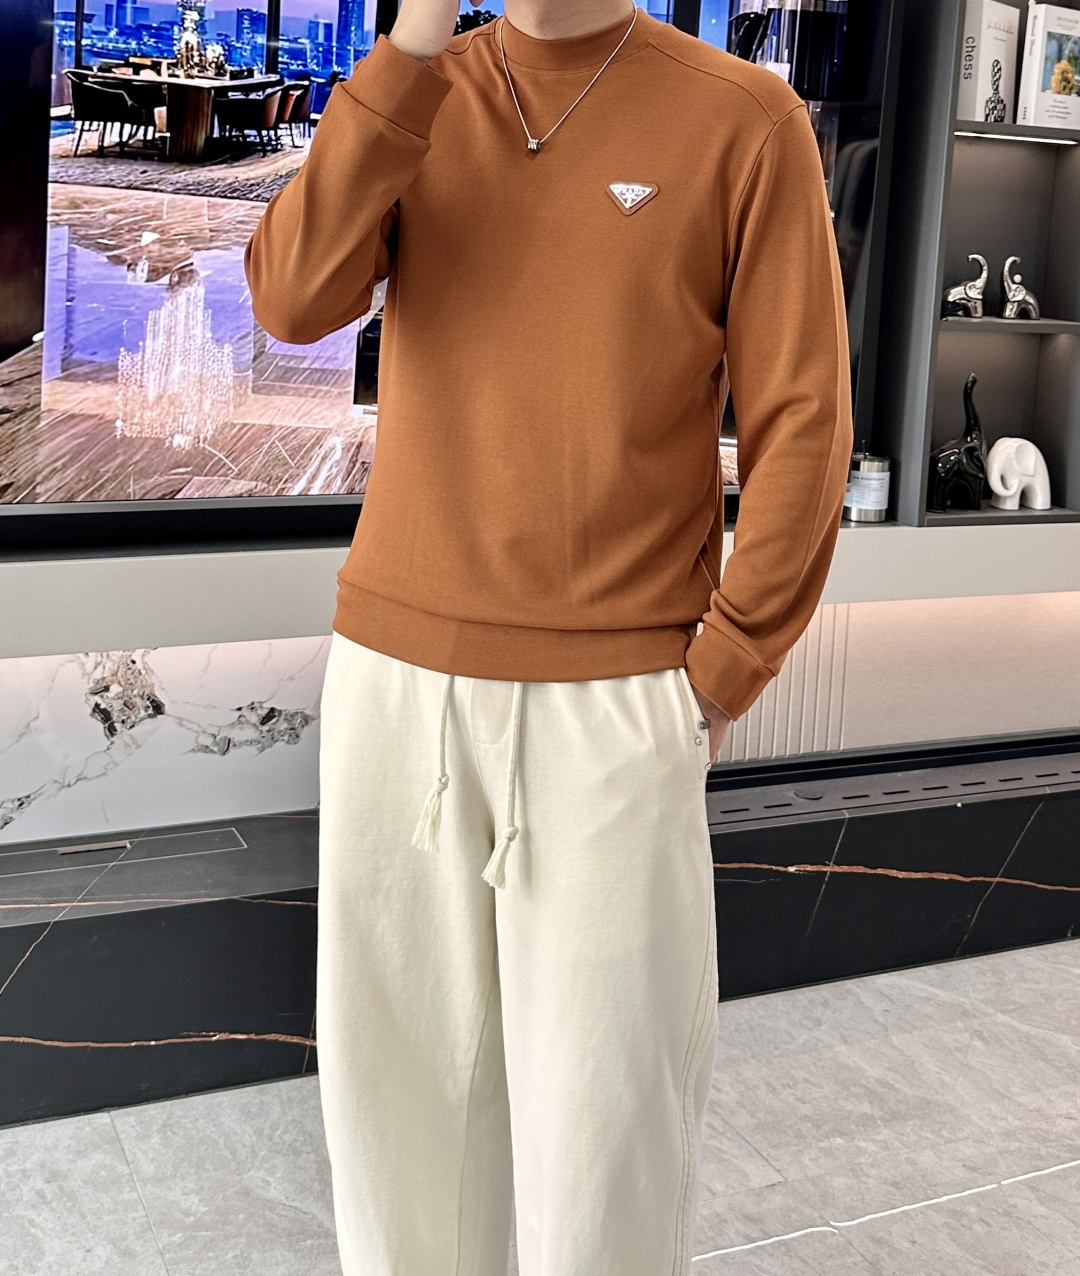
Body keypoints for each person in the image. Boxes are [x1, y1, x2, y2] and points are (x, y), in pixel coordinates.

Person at [245, 0, 852, 1269]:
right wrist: (411, 43)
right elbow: (292, 299)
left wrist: (720, 671)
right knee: (397, 1119)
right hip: (394, 681)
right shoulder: (424, 89)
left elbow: (804, 421)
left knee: (603, 1139)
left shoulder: (746, 119)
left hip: (615, 698)